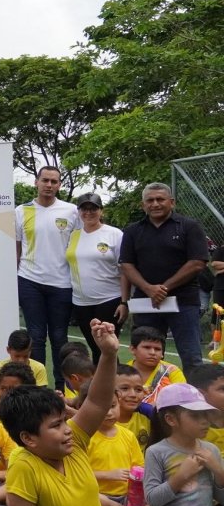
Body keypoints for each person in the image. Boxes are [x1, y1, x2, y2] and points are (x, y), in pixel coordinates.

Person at [0, 321, 212, 506]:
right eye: (55, 426)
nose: (66, 429)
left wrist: (109, 354)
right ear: (29, 438)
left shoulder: (73, 440)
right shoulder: (24, 464)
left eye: (64, 421)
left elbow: (96, 403)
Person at [129, 384, 224, 506]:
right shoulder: (157, 452)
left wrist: (218, 470)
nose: (205, 422)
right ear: (171, 419)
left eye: (206, 415)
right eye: (196, 416)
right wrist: (181, 476)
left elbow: (221, 498)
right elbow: (153, 500)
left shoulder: (210, 451)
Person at [120, 181, 210, 369]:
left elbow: (197, 262)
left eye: (160, 199)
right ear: (143, 204)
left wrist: (164, 287)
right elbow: (126, 265)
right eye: (150, 200)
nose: (155, 204)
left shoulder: (189, 226)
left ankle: (195, 398)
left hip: (183, 302)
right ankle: (149, 396)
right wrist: (148, 289)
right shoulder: (132, 231)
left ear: (172, 202)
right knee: (146, 356)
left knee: (191, 356)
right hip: (146, 302)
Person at [15, 166, 80, 387]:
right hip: (29, 279)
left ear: (59, 185)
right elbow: (16, 248)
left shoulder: (72, 211)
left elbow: (79, 245)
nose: (49, 185)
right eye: (45, 180)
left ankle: (62, 387)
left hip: (61, 283)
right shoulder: (21, 211)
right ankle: (38, 387)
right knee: (36, 336)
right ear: (36, 182)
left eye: (54, 181)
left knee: (59, 337)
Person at [67, 193, 128, 363]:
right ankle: (101, 388)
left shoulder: (114, 234)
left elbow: (124, 270)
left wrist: (124, 302)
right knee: (95, 349)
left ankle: (115, 387)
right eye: (84, 209)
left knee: (106, 349)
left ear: (101, 210)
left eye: (93, 208)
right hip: (81, 303)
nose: (88, 212)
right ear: (79, 211)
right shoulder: (73, 235)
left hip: (109, 300)